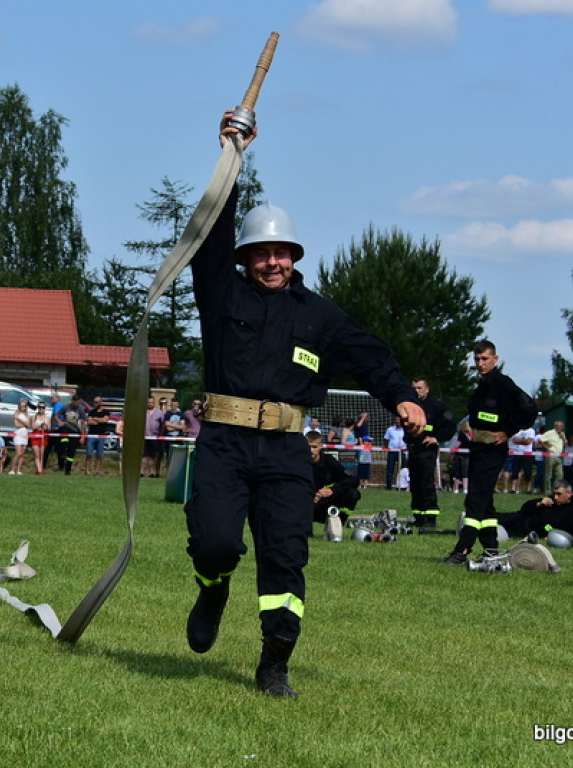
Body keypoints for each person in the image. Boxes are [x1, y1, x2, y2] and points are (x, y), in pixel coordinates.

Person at [183, 111, 424, 699]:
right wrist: (231, 158)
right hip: (224, 443)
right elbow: (210, 233)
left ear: (295, 256)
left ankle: (274, 665)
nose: (272, 262)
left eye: (282, 252)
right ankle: (213, 589)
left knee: (285, 558)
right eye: (261, 253)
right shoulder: (221, 293)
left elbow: (371, 356)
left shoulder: (320, 316)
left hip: (288, 453)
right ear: (245, 258)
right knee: (215, 543)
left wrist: (400, 395)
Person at [444, 341, 537, 565]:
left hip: (493, 451)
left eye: (485, 359)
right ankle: (491, 549)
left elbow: (529, 409)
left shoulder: (503, 384)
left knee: (475, 499)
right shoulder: (481, 385)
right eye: (477, 359)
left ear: (495, 359)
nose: (480, 363)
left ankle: (462, 550)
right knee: (485, 503)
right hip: (478, 448)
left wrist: (508, 431)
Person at [405, 377, 456, 529]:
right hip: (413, 448)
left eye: (419, 388)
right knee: (415, 484)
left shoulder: (436, 406)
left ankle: (430, 517)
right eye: (414, 388)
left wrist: (437, 438)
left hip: (427, 450)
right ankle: (418, 516)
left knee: (426, 483)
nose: (416, 391)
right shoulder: (410, 404)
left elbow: (451, 424)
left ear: (427, 389)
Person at [496, 480, 573, 540]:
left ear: (569, 494)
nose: (555, 497)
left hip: (526, 531)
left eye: (559, 494)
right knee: (494, 518)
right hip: (519, 518)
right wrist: (539, 503)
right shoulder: (549, 500)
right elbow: (525, 508)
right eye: (554, 494)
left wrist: (552, 535)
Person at [306, 431, 360, 525]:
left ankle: (339, 522)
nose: (311, 450)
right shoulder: (298, 463)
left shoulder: (329, 461)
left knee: (353, 493)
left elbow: (353, 479)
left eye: (314, 447)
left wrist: (332, 490)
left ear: (321, 446)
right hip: (304, 502)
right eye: (308, 447)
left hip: (323, 502)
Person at [55, 394, 87, 475]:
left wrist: (83, 437)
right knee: (63, 441)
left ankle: (68, 469)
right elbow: (56, 416)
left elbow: (83, 424)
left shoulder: (80, 409)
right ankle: (63, 454)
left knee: (72, 451)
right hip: (65, 428)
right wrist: (59, 422)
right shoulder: (66, 407)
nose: (76, 404)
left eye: (78, 402)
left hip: (75, 431)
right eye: (75, 402)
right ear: (72, 401)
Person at [84, 395, 112, 475]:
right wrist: (100, 421)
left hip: (101, 436)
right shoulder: (91, 412)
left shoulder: (106, 412)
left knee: (99, 455)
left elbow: (105, 420)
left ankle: (97, 471)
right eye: (94, 402)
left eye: (96, 402)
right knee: (89, 454)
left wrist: (96, 419)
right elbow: (90, 422)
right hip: (91, 435)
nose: (94, 404)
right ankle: (87, 471)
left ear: (101, 402)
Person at [539, 420, 565, 495]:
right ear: (555, 426)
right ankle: (547, 491)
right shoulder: (550, 433)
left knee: (559, 474)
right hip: (551, 454)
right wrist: (546, 446)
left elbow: (565, 444)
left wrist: (563, 438)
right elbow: (540, 440)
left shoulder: (562, 434)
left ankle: (556, 491)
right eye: (557, 426)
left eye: (560, 426)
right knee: (549, 474)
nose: (559, 427)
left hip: (559, 455)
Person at [141, 396, 165, 477]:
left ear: (154, 403)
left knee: (152, 456)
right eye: (148, 402)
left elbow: (163, 425)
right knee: (143, 456)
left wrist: (160, 435)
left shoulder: (159, 413)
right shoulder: (142, 412)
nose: (150, 404)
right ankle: (142, 472)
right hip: (144, 437)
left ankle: (151, 473)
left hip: (155, 437)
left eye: (151, 402)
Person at [383, 416, 406, 491]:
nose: (397, 421)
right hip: (392, 451)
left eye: (398, 420)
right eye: (396, 420)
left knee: (403, 470)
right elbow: (386, 439)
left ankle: (402, 486)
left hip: (402, 452)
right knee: (390, 470)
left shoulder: (405, 429)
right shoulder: (390, 429)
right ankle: (389, 487)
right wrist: (387, 447)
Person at [9, 400, 31, 475]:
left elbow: (28, 424)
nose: (23, 407)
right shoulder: (16, 413)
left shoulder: (27, 415)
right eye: (21, 406)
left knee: (22, 454)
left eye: (24, 406)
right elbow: (17, 425)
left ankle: (18, 470)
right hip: (18, 434)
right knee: (18, 453)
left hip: (25, 434)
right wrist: (23, 424)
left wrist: (19, 419)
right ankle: (12, 469)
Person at [31, 401, 51, 475]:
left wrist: (45, 427)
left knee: (41, 454)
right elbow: (33, 427)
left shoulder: (47, 417)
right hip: (36, 435)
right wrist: (40, 425)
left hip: (43, 436)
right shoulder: (34, 417)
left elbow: (49, 428)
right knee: (36, 454)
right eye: (40, 407)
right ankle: (39, 471)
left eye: (43, 407)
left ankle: (39, 469)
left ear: (45, 408)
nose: (41, 409)